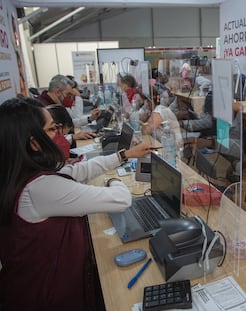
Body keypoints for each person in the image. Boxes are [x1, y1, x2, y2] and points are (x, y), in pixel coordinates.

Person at [0, 96, 152, 310]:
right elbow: (121, 199)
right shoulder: (39, 189)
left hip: (33, 284)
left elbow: (78, 170)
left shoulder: (20, 173)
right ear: (34, 142)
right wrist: (114, 180)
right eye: (53, 129)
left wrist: (123, 155)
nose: (61, 135)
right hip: (47, 296)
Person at [37, 75, 96, 143]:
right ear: (58, 92)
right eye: (67, 94)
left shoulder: (56, 104)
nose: (70, 98)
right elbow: (48, 139)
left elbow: (67, 123)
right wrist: (72, 137)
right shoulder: (44, 108)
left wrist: (89, 119)